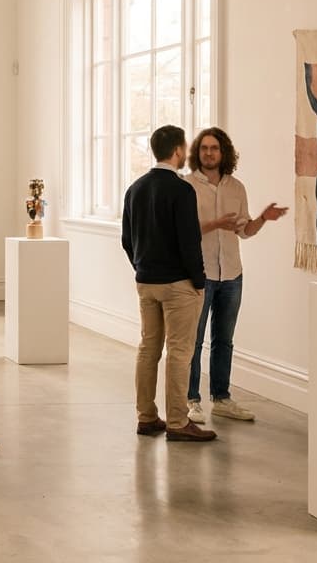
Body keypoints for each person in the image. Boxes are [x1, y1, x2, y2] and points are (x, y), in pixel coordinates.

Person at [185, 128, 288, 423]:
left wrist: (263, 220)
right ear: (197, 152)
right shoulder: (187, 186)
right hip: (200, 273)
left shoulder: (237, 188)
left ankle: (222, 398)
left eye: (214, 148)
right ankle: (192, 400)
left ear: (223, 152)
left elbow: (245, 231)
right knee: (194, 340)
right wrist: (215, 223)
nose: (208, 153)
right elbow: (184, 233)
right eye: (204, 148)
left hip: (232, 274)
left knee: (224, 340)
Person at [121, 125, 215, 442]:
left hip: (146, 282)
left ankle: (146, 417)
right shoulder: (181, 189)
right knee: (179, 352)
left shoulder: (135, 188)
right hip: (178, 284)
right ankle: (177, 421)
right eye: (185, 147)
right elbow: (189, 241)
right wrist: (199, 280)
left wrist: (142, 266)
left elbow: (126, 239)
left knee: (148, 349)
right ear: (177, 150)